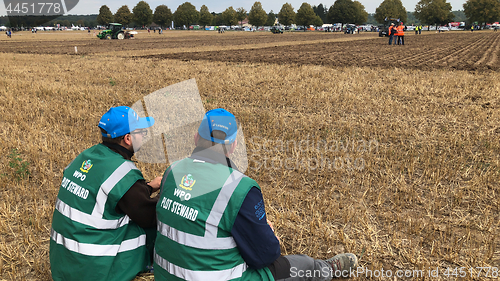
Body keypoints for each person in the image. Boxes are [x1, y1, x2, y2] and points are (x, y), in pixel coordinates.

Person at [154, 108, 358, 281]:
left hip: (167, 275)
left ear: (196, 138)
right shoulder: (239, 187)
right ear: (233, 146)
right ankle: (328, 269)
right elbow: (265, 255)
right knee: (302, 264)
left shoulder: (172, 171)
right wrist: (268, 236)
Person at [50, 106, 162, 281]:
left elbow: (113, 192)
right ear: (128, 138)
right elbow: (149, 215)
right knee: (154, 227)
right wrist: (171, 193)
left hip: (65, 262)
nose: (144, 137)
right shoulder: (123, 172)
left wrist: (148, 186)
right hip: (92, 268)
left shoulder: (88, 156)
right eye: (141, 132)